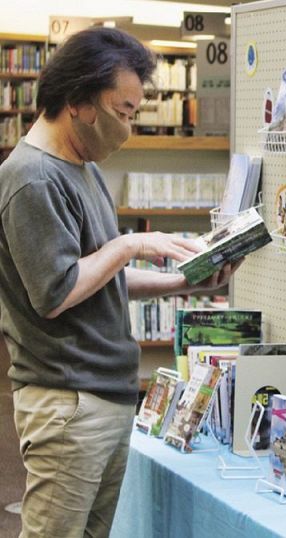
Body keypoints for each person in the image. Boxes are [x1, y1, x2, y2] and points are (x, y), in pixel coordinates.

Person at [0, 27, 240, 538]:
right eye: (123, 112)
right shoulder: (31, 178)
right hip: (67, 401)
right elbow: (57, 291)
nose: (128, 127)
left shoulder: (79, 168)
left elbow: (100, 278)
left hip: (102, 393)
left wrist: (184, 283)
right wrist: (129, 244)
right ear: (80, 102)